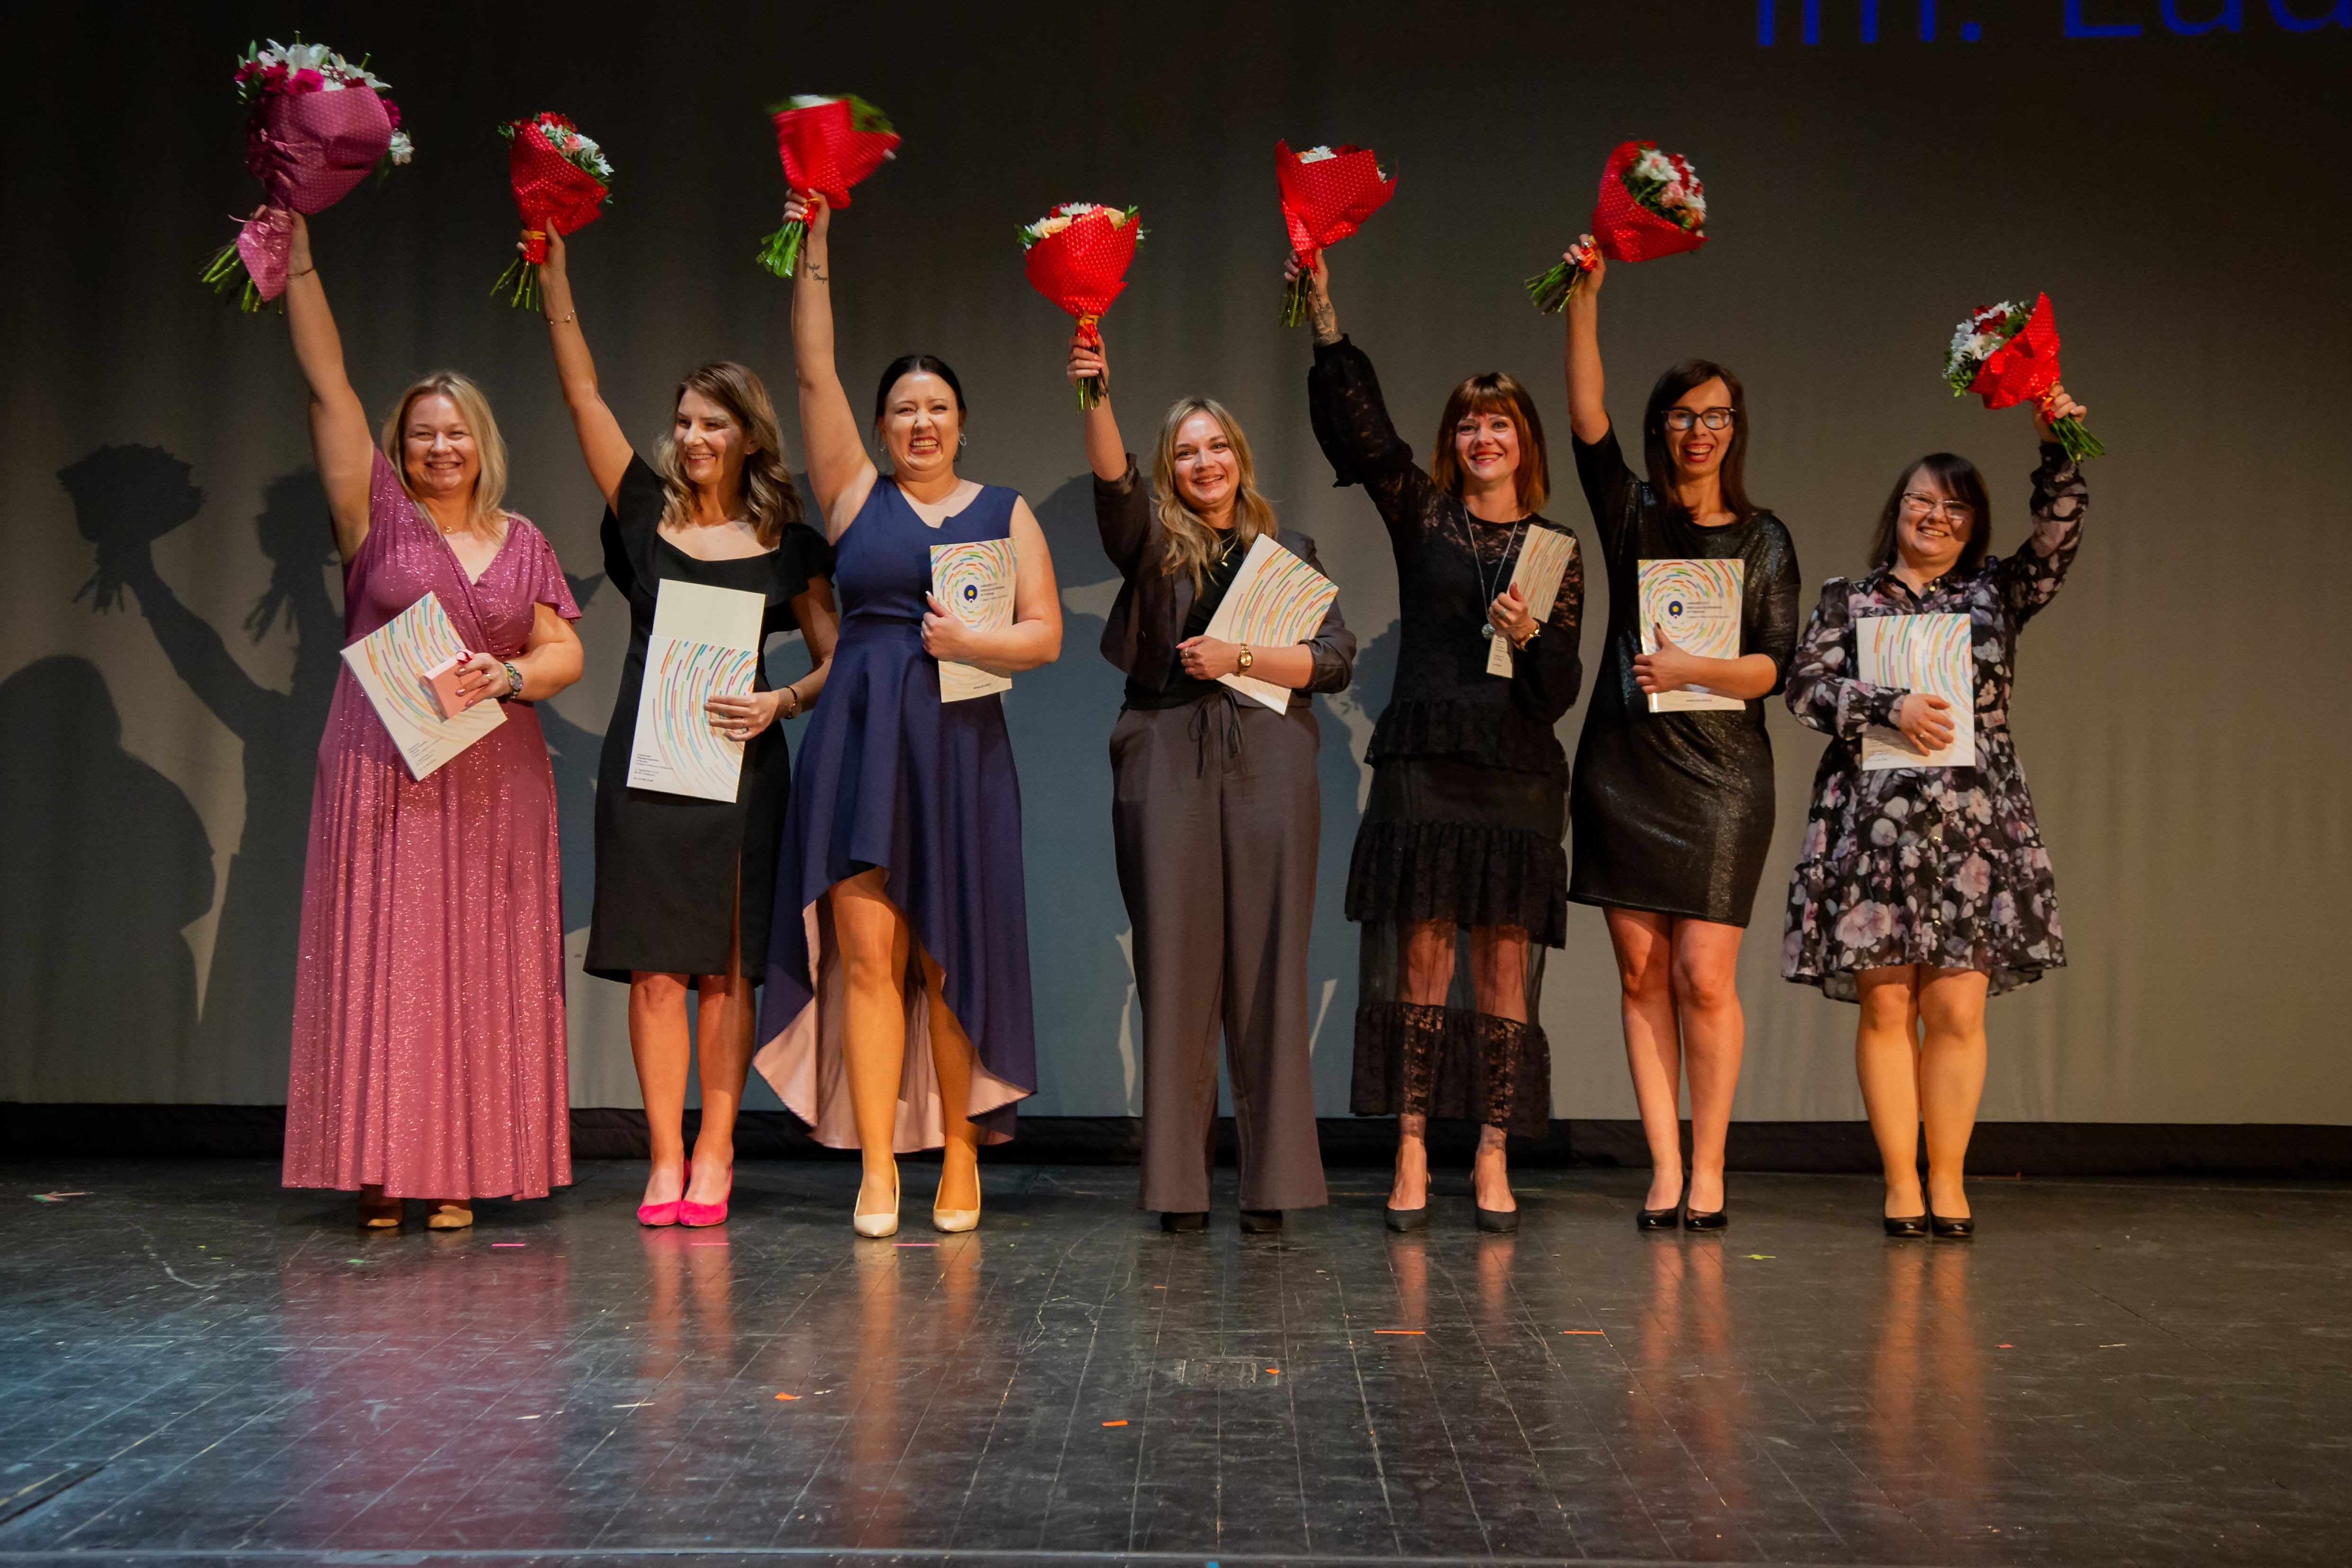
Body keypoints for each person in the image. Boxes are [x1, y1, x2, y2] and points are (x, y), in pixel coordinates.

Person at [756, 193, 1062, 1237]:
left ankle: (961, 1155)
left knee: (948, 959)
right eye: (902, 410)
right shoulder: (854, 497)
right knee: (867, 960)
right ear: (882, 428)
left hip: (961, 749)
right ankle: (880, 1166)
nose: (920, 423)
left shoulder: (1004, 511)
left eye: (936, 408)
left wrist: (970, 641)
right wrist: (816, 242)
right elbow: (813, 371)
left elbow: (1043, 636)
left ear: (961, 421)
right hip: (860, 746)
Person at [276, 211, 585, 1230]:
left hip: (496, 774)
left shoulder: (524, 538)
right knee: (390, 963)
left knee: (475, 969)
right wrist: (301, 258)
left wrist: (514, 673)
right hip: (385, 767)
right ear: (399, 448)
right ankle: (379, 1163)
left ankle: (460, 1168)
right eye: (423, 434)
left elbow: (563, 653)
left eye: (456, 433)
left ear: (480, 444)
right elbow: (329, 384)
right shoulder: (374, 517)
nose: (441, 446)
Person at [532, 229, 839, 1230]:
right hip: (649, 769)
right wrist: (554, 276)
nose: (693, 437)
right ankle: (664, 1153)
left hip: (740, 772)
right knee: (656, 970)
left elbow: (837, 662)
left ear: (749, 435)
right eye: (683, 422)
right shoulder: (641, 515)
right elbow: (583, 396)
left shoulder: (788, 542)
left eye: (713, 423)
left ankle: (716, 1149)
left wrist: (781, 702)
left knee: (724, 969)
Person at [1293, 253, 1584, 1233]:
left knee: (1500, 965)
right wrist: (1326, 321)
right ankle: (1413, 1146)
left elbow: (1556, 694)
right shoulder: (1424, 515)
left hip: (1514, 771)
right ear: (1452, 441)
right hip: (1424, 763)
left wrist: (1529, 635)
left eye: (1498, 423)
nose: (1481, 437)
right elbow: (1363, 435)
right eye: (1467, 423)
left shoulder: (1556, 551)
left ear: (1524, 441)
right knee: (1421, 955)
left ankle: (1492, 1151)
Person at [1067, 326, 1356, 1233]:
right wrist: (1094, 392)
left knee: (1269, 965)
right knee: (1176, 965)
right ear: (1169, 467)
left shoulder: (1288, 549)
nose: (1205, 463)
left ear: (1240, 458)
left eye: (1217, 446)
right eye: (1186, 452)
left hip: (1270, 754)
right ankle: (1178, 1186)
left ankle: (1273, 1183)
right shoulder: (1155, 542)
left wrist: (1244, 657)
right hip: (1167, 752)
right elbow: (1114, 489)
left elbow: (1334, 658)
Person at [1781, 389, 2090, 1238]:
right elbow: (1803, 688)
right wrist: (1887, 706)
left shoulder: (1995, 593)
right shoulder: (1849, 599)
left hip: (1970, 824)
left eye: (1955, 508)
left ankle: (1947, 1180)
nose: (1935, 516)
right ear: (1897, 509)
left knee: (1955, 1011)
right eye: (1922, 500)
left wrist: (2058, 442)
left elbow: (2057, 537)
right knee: (1887, 1007)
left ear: (1974, 525)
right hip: (1874, 822)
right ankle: (1898, 1183)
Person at [1560, 249, 1801, 1233]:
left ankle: (1711, 1166)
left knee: (1704, 976)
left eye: (1715, 417)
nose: (1698, 432)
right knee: (1640, 975)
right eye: (1681, 416)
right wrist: (1583, 303)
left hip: (1723, 777)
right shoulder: (1633, 516)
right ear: (1661, 427)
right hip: (1625, 769)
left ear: (1734, 430)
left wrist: (1693, 668)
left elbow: (1774, 667)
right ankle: (1663, 1165)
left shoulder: (1763, 538)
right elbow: (1585, 417)